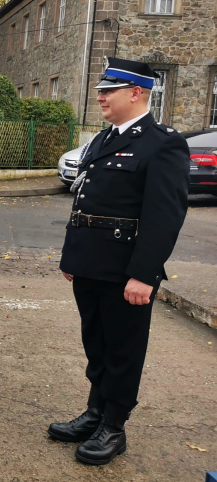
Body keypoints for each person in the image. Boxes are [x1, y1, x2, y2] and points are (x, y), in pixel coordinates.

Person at [50, 58, 190, 466]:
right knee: (96, 344)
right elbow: (86, 202)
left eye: (109, 90)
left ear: (136, 93)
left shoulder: (162, 142)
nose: (100, 96)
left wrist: (143, 275)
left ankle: (114, 425)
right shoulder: (102, 139)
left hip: (126, 270)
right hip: (90, 263)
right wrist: (71, 256)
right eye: (101, 89)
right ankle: (94, 411)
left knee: (123, 349)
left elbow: (165, 216)